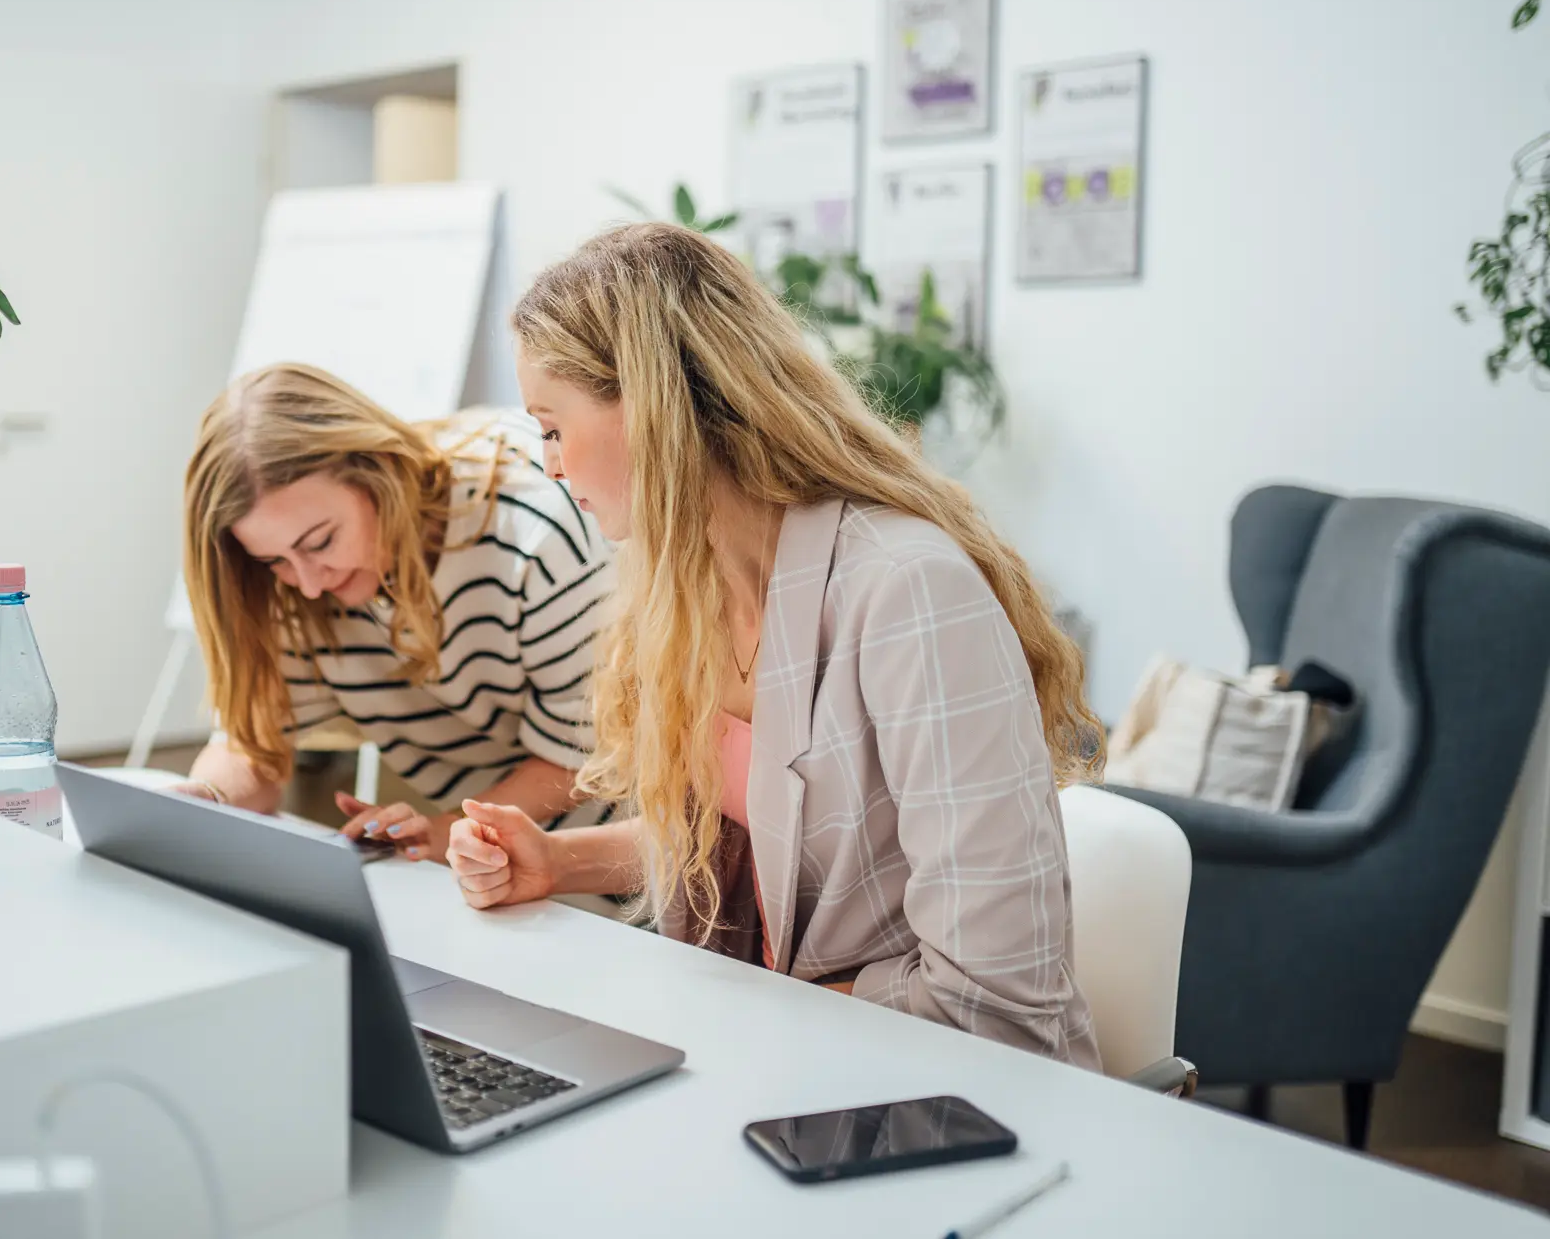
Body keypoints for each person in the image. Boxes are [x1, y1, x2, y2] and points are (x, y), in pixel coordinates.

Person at [445, 224, 1103, 1067]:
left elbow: (993, 1001)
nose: (551, 465)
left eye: (551, 426)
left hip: (941, 1091)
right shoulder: (684, 584)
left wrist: (744, 1027)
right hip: (777, 1060)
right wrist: (555, 862)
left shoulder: (908, 592)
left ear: (652, 406)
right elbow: (758, 836)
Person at [178, 363, 612, 858]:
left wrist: (447, 830)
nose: (311, 584)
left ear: (375, 472)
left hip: (631, 859)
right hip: (497, 859)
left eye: (321, 541)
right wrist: (204, 800)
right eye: (274, 560)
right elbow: (252, 749)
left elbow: (580, 756)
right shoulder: (292, 584)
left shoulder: (536, 529)